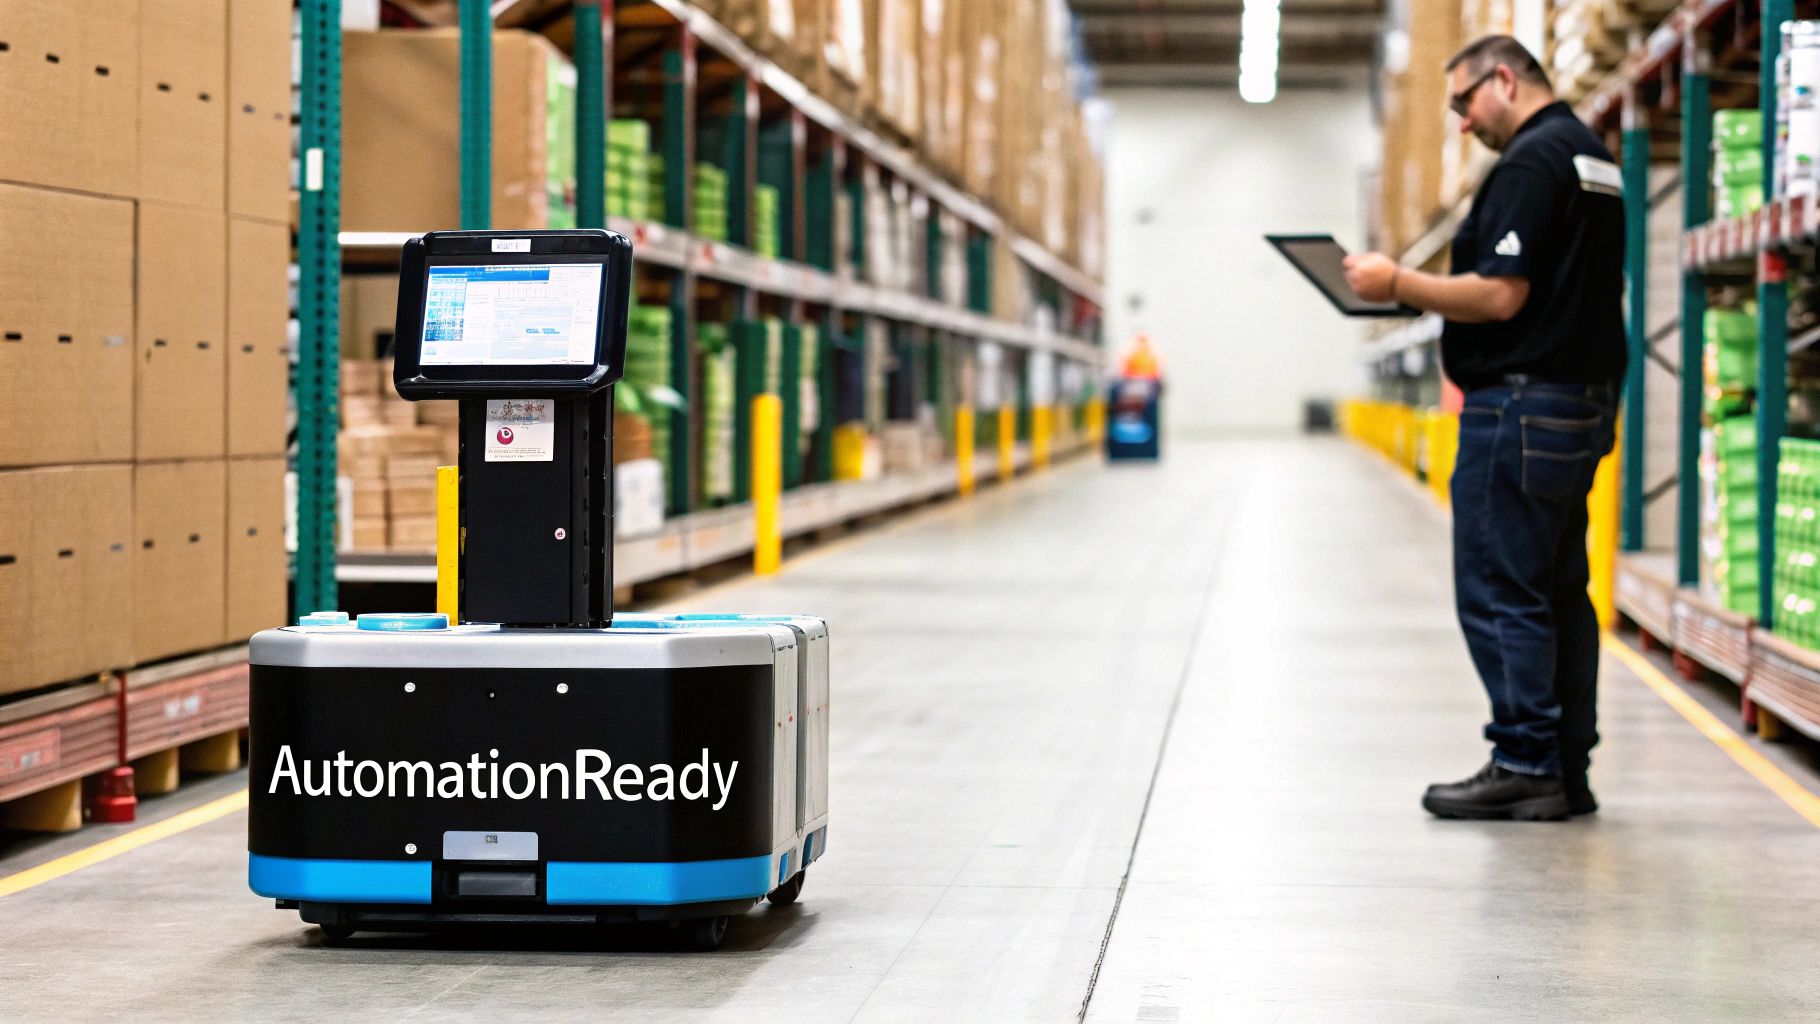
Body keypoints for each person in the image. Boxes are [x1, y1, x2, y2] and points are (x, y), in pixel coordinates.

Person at [1342, 35, 1626, 821]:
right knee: (1560, 587)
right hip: (1580, 401)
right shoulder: (1592, 155)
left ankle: (1526, 758)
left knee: (1503, 587)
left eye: (1465, 102)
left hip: (1523, 407)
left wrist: (1397, 282)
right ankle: (1566, 763)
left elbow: (1503, 295)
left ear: (1505, 78)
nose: (1463, 124)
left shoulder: (1534, 160)